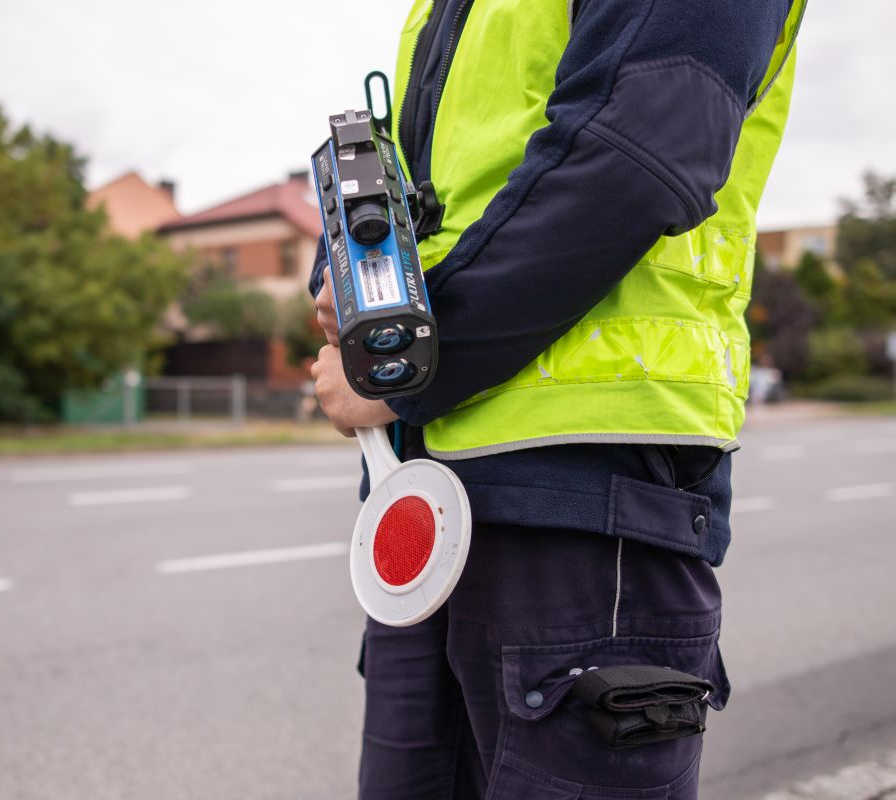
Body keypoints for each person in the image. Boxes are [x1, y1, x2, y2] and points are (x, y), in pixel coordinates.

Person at [310, 0, 806, 796]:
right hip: (424, 498)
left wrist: (410, 371)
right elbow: (428, 188)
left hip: (586, 487)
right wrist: (349, 285)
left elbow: (636, 159)